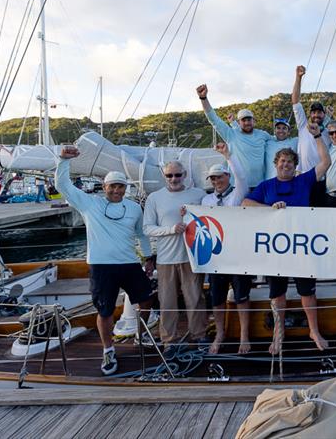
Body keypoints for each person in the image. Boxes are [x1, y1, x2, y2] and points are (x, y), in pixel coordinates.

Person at [55, 146, 155, 375]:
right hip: (101, 267)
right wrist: (63, 160)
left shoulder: (133, 208)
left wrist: (149, 257)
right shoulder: (90, 204)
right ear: (104, 187)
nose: (117, 190)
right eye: (113, 186)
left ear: (126, 188)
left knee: (147, 300)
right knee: (105, 311)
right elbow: (63, 186)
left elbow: (141, 234)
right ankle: (108, 349)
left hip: (129, 263)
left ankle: (141, 334)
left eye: (121, 186)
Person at [242, 122, 332, 353]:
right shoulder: (266, 185)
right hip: (276, 250)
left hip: (302, 247)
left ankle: (314, 330)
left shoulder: (303, 181)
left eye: (290, 162)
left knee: (307, 292)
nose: (286, 165)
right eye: (282, 161)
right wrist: (270, 207)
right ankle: (278, 334)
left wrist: (318, 136)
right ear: (276, 165)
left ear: (295, 166)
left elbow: (325, 163)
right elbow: (245, 203)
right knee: (277, 294)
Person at [143, 161, 208, 357]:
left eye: (178, 175)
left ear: (185, 174)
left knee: (195, 298)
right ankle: (169, 341)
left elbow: (209, 219)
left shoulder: (198, 195)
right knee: (167, 302)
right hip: (165, 259)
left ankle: (199, 335)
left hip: (192, 257)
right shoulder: (154, 198)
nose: (174, 179)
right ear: (164, 176)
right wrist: (171, 229)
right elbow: (147, 228)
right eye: (170, 175)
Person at [199, 143, 252, 354]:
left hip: (238, 255)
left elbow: (241, 177)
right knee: (217, 298)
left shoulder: (237, 194)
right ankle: (220, 333)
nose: (216, 181)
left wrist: (228, 155)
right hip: (217, 257)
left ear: (227, 177)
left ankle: (244, 336)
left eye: (220, 177)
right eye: (212, 178)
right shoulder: (206, 199)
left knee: (242, 296)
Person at [196, 84, 271, 187]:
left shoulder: (263, 135)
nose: (247, 122)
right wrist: (203, 98)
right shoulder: (231, 134)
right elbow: (213, 119)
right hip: (237, 186)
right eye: (243, 120)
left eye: (249, 119)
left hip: (260, 186)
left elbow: (279, 142)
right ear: (238, 122)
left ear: (254, 121)